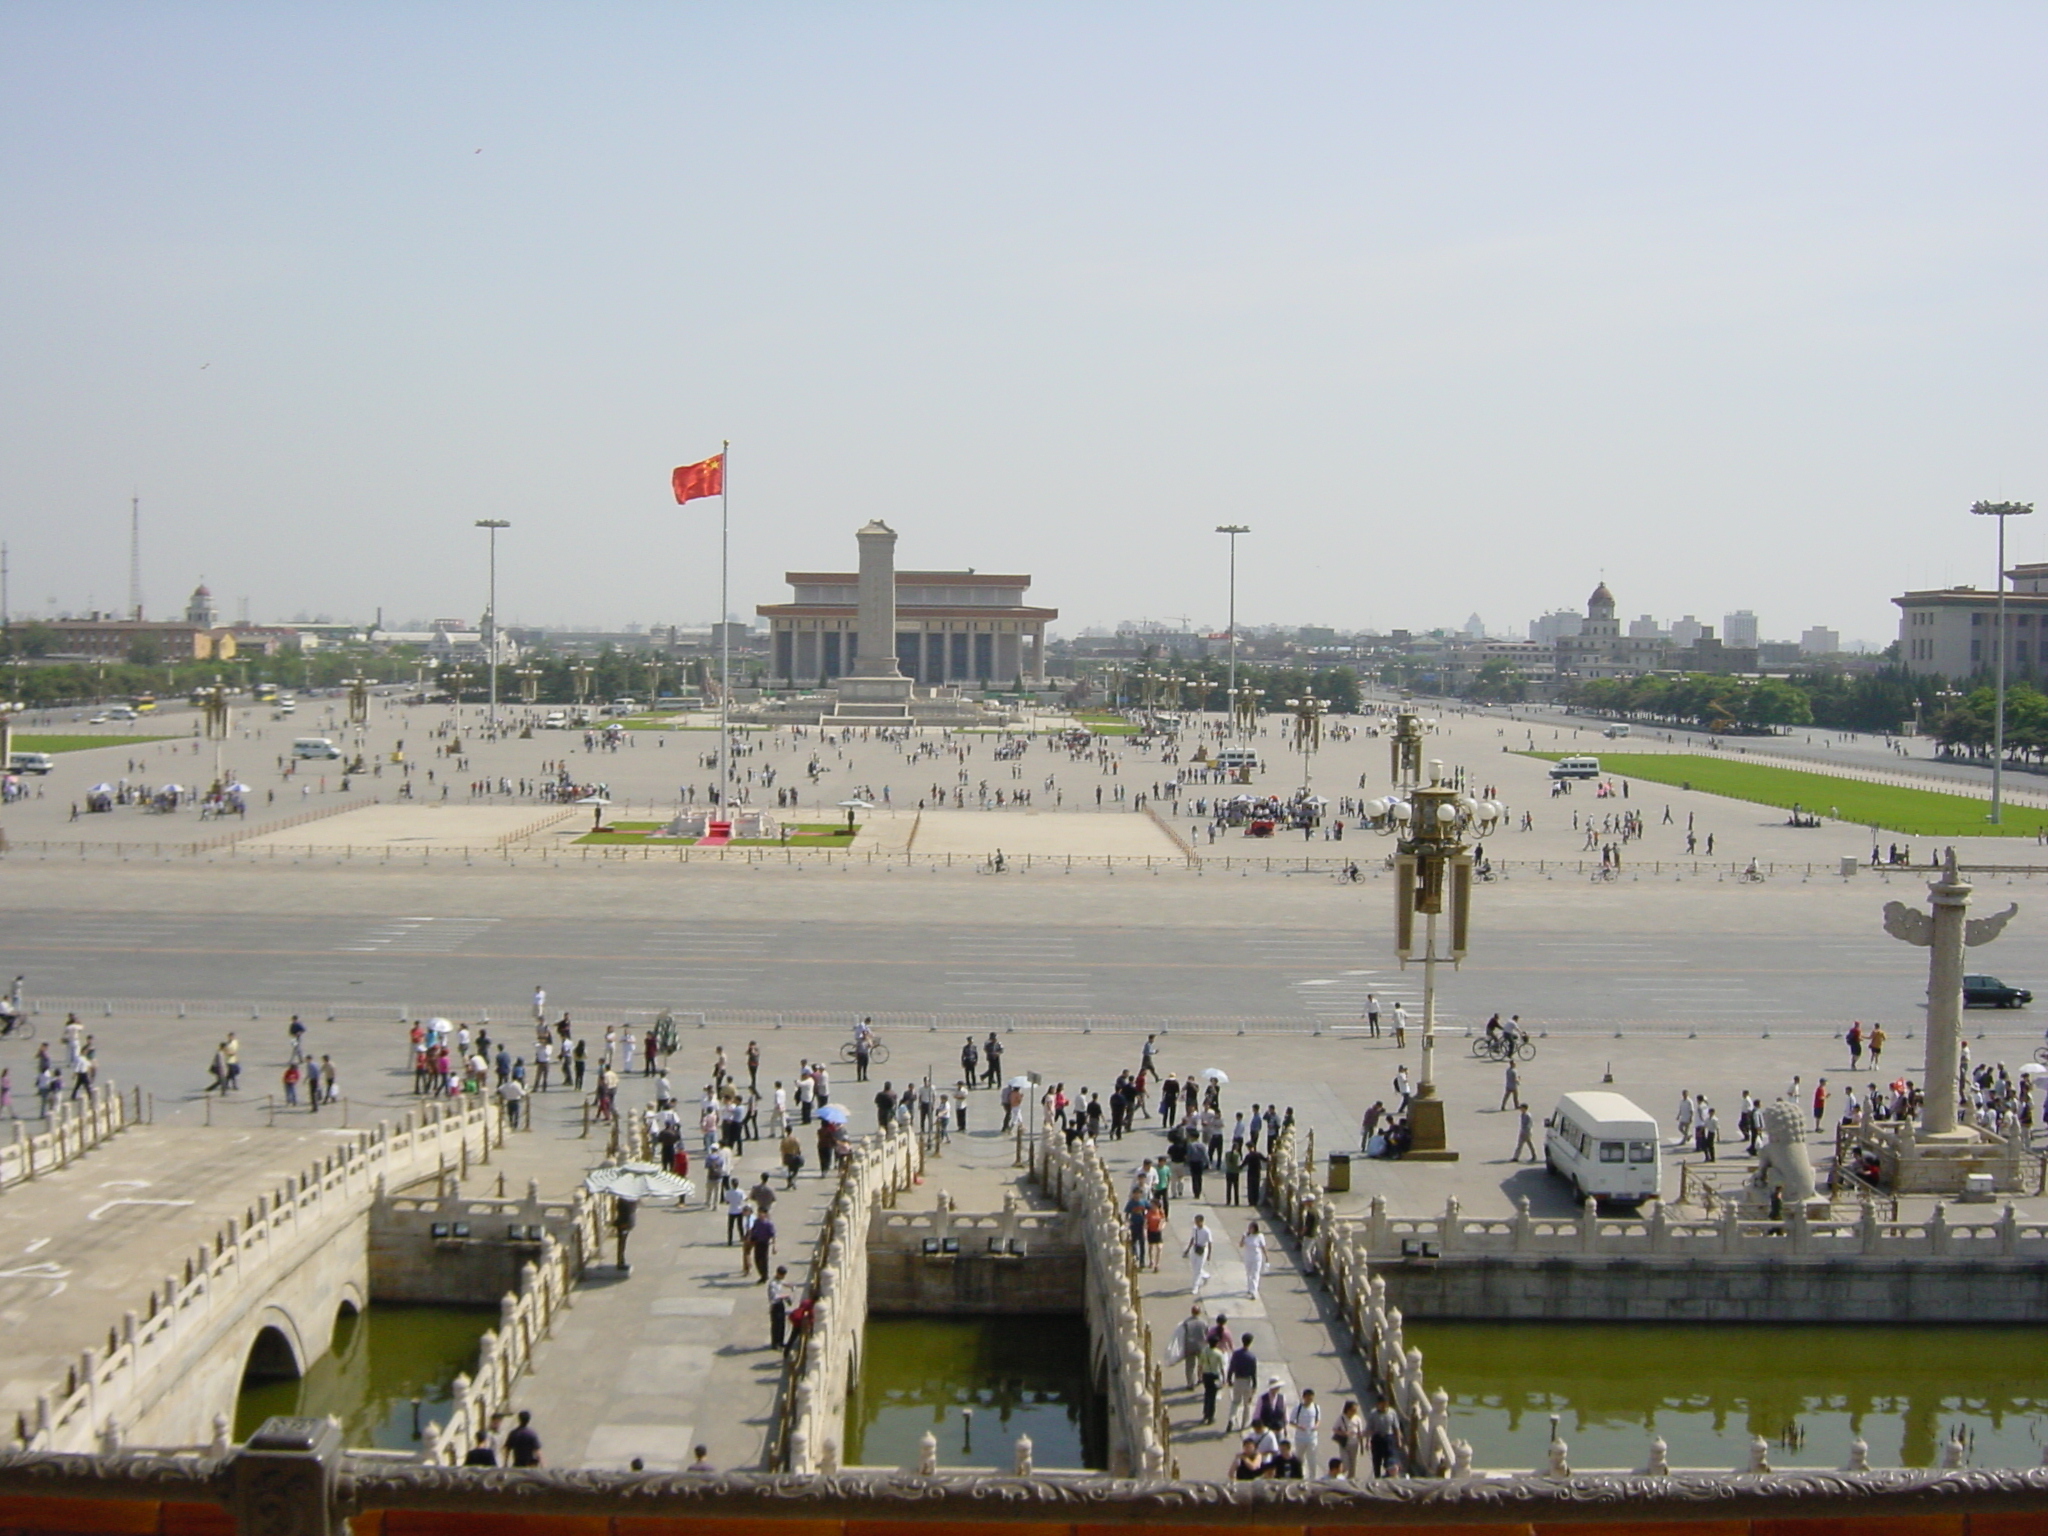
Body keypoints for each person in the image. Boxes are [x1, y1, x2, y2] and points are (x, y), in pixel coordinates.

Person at [1226, 1332, 1258, 1430]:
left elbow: (1231, 1367)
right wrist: (1254, 1386)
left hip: (1237, 1380)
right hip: (1247, 1381)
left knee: (1235, 1402)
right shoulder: (1252, 1357)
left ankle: (1231, 1419)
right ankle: (1244, 1424)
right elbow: (1253, 1373)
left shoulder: (1236, 1354)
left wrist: (1229, 1378)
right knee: (1246, 1404)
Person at [1173, 1304, 1208, 1390]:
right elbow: (1207, 1333)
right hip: (1201, 1346)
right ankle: (1200, 1378)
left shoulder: (1186, 1323)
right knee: (1201, 1364)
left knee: (1189, 1366)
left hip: (1190, 1346)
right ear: (1199, 1313)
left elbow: (1182, 1335)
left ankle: (1190, 1383)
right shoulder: (1203, 1323)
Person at [1365, 1397, 1399, 1477]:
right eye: (1381, 1404)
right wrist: (1367, 1441)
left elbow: (1396, 1427)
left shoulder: (1392, 1412)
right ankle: (1377, 1477)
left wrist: (1398, 1439)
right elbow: (1369, 1429)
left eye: (1385, 1404)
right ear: (1378, 1404)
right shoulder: (1373, 1414)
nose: (1383, 1406)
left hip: (1388, 1438)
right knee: (1377, 1460)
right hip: (1377, 1439)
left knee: (1390, 1460)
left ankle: (1389, 1475)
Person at [1333, 1400, 1365, 1480]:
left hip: (1355, 1444)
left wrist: (1362, 1446)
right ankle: (1338, 1477)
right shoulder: (1341, 1418)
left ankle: (1351, 1480)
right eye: (1353, 1409)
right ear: (1348, 1409)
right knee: (1346, 1464)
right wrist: (1343, 1433)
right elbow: (1335, 1429)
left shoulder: (1357, 1419)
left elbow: (1360, 1433)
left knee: (1353, 1465)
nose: (1355, 1411)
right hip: (1345, 1444)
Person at [1198, 1332, 1225, 1426]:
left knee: (1206, 1394)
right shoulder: (1218, 1353)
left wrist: (1199, 1375)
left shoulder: (1204, 1351)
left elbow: (1200, 1364)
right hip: (1214, 1375)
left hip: (1206, 1374)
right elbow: (1222, 1367)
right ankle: (1211, 1416)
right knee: (1212, 1397)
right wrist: (1224, 1378)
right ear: (1217, 1343)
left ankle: (1205, 1414)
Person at [768, 1266, 794, 1350]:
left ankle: (781, 1342)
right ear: (778, 1273)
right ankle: (775, 1344)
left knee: (782, 1324)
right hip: (775, 1305)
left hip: (780, 1304)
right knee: (776, 1325)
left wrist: (790, 1286)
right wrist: (786, 1296)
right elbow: (774, 1297)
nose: (783, 1277)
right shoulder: (773, 1284)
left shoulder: (779, 1281)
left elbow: (783, 1282)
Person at [1241, 1221, 1268, 1300]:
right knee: (1249, 1274)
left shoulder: (1260, 1236)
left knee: (1255, 1275)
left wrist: (1266, 1257)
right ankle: (1249, 1288)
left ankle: (1254, 1291)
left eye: (1251, 1228)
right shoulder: (1246, 1235)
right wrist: (1243, 1238)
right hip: (1248, 1258)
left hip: (1256, 1258)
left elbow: (1263, 1247)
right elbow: (1241, 1245)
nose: (1249, 1229)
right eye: (1249, 1228)